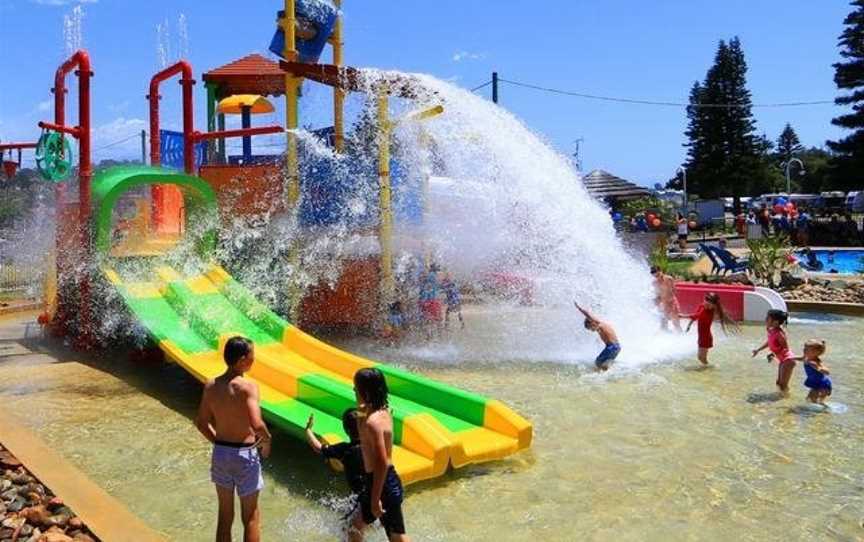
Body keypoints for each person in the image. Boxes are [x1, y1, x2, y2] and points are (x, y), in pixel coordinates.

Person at [195, 337, 272, 542]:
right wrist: (267, 441)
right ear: (242, 359)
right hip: (245, 454)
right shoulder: (248, 387)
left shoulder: (211, 385)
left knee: (225, 516)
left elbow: (201, 423)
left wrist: (219, 443)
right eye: (252, 356)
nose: (254, 359)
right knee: (251, 517)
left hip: (221, 453)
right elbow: (257, 425)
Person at [350, 368, 410, 542]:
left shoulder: (372, 422)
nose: (354, 390)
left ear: (365, 392)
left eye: (356, 388)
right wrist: (361, 405)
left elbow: (381, 462)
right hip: (383, 482)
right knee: (355, 527)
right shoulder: (383, 413)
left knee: (397, 536)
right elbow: (361, 429)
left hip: (382, 484)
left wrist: (375, 499)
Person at [306, 410, 366, 514]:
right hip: (377, 493)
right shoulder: (372, 446)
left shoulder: (344, 449)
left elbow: (318, 448)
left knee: (348, 527)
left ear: (346, 430)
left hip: (361, 496)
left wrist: (308, 430)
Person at [682, 292, 737, 365]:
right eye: (706, 302)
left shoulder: (710, 312)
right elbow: (695, 317)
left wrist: (682, 316)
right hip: (701, 336)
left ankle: (709, 368)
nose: (706, 305)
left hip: (706, 338)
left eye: (709, 305)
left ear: (714, 306)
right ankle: (707, 367)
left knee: (701, 357)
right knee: (701, 357)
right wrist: (689, 325)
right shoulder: (701, 306)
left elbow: (695, 316)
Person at [751, 309, 796, 396]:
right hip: (783, 360)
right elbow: (769, 342)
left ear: (775, 322)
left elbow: (785, 348)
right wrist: (758, 350)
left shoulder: (779, 334)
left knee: (783, 385)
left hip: (788, 360)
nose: (765, 319)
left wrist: (773, 354)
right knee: (778, 383)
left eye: (768, 318)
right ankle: (782, 398)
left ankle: (786, 400)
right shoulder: (772, 331)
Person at [574, 301, 621, 371]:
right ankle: (605, 376)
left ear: (592, 323)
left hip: (612, 347)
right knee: (604, 365)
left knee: (598, 362)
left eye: (590, 328)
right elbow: (606, 338)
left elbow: (588, 315)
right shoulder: (601, 327)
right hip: (617, 347)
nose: (591, 330)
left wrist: (579, 308)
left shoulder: (599, 324)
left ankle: (598, 375)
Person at [792, 339, 832, 405]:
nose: (804, 350)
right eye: (804, 348)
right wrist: (792, 357)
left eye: (807, 349)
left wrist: (820, 369)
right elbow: (801, 358)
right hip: (815, 382)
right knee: (810, 400)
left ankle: (823, 411)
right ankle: (820, 411)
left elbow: (827, 372)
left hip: (822, 383)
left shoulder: (814, 362)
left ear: (815, 352)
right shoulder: (806, 357)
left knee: (815, 400)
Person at [650, 266, 681, 331]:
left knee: (676, 322)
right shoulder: (654, 283)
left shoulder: (669, 279)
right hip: (664, 304)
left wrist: (670, 301)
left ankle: (680, 336)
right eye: (653, 273)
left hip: (672, 302)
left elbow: (674, 291)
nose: (656, 275)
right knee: (663, 324)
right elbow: (658, 295)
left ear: (660, 271)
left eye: (657, 273)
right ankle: (665, 336)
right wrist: (656, 301)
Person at [417, 265, 443, 340]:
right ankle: (438, 334)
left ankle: (429, 335)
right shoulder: (434, 278)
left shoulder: (428, 280)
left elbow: (425, 293)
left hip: (429, 302)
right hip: (435, 301)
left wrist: (422, 303)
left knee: (428, 320)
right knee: (436, 319)